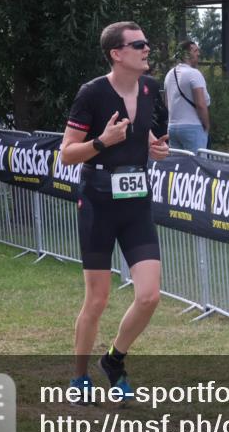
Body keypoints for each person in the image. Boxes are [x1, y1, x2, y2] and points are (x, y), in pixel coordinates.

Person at [60, 21, 170, 402]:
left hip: (136, 199)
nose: (146, 49)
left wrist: (155, 147)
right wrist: (102, 141)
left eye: (147, 43)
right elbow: (67, 153)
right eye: (138, 44)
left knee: (150, 296)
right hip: (97, 201)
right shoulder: (92, 93)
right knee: (98, 299)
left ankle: (114, 360)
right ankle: (78, 377)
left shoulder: (151, 89)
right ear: (117, 54)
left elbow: (145, 134)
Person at [165, 40, 211, 152]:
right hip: (192, 127)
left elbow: (167, 103)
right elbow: (201, 104)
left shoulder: (169, 74)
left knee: (178, 167)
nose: (198, 54)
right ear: (186, 54)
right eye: (195, 51)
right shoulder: (194, 73)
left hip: (172, 128)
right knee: (197, 166)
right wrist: (207, 125)